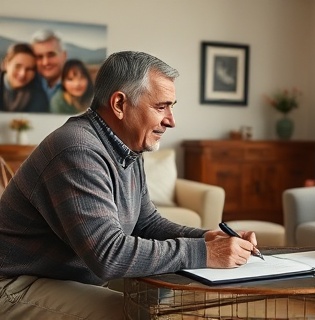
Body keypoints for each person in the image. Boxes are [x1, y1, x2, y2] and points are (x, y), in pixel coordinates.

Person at [0, 51, 260, 319]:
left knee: (171, 295)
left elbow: (147, 225)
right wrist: (204, 252)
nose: (171, 120)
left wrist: (208, 238)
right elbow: (108, 254)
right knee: (135, 313)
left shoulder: (127, 148)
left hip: (67, 277)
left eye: (172, 106)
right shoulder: (76, 149)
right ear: (120, 104)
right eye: (161, 107)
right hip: (16, 283)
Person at [0, 42, 49, 112]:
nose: (22, 74)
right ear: (5, 64)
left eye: (29, 69)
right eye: (18, 66)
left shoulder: (38, 96)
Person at [30, 29, 67, 101]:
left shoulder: (79, 87)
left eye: (51, 55)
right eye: (39, 57)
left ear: (64, 55)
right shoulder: (28, 84)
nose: (45, 62)